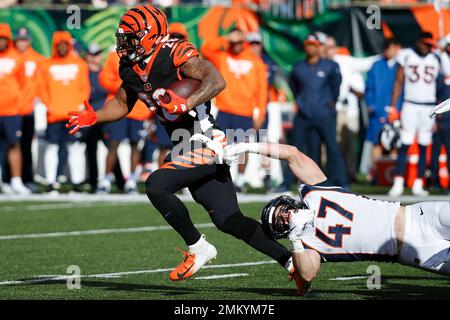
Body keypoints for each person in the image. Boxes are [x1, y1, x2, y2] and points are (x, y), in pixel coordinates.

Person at [66, 5, 299, 290]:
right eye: (123, 38)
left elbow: (216, 80)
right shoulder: (130, 67)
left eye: (131, 37)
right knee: (229, 219)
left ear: (150, 35)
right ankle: (291, 262)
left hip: (206, 141)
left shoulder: (174, 52)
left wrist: (184, 103)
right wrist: (95, 116)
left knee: (156, 185)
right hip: (183, 145)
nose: (124, 44)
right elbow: (121, 104)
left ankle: (198, 247)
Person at [203, 139, 450, 296]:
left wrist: (248, 147)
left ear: (287, 201)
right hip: (413, 251)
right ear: (282, 230)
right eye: (281, 221)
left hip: (422, 216)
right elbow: (308, 275)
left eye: (282, 210)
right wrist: (297, 238)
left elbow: (292, 153)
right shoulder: (308, 244)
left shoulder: (314, 191)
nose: (286, 216)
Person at [201, 27, 268, 192]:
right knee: (219, 146)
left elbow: (262, 90)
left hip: (245, 112)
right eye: (233, 42)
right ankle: (221, 178)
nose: (236, 45)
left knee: (242, 148)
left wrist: (260, 113)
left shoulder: (256, 62)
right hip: (224, 110)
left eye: (239, 41)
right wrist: (225, 38)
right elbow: (205, 49)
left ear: (244, 41)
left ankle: (240, 180)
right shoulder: (223, 57)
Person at [287, 33, 348, 189]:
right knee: (295, 148)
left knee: (332, 147)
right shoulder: (298, 67)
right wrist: (301, 102)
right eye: (308, 44)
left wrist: (329, 103)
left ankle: (341, 182)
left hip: (324, 113)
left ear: (319, 46)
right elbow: (294, 86)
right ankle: (288, 182)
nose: (310, 48)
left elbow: (336, 88)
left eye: (313, 44)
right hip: (304, 114)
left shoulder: (330, 66)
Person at [388, 32, 441, 197]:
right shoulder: (406, 55)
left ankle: (419, 182)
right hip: (410, 104)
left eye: (429, 44)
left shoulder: (437, 57)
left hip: (429, 106)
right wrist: (392, 106)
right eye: (424, 43)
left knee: (424, 144)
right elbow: (398, 80)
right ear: (418, 41)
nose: (427, 47)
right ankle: (398, 182)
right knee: (405, 142)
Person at [40, 31, 90, 193]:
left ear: (69, 45)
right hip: (54, 114)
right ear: (55, 46)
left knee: (74, 146)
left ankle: (77, 181)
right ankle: (50, 182)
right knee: (52, 147)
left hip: (73, 114)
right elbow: (42, 88)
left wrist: (81, 105)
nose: (62, 48)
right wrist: (48, 105)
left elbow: (85, 88)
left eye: (64, 44)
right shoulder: (46, 65)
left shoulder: (80, 64)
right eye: (59, 45)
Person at [98, 48, 152, 194]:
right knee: (113, 144)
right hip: (117, 106)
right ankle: (105, 180)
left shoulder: (146, 55)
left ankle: (131, 181)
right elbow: (104, 78)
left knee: (136, 145)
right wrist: (125, 88)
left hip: (139, 109)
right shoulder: (114, 55)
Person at [363, 37, 402, 182]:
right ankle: (375, 173)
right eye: (386, 48)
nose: (389, 51)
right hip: (377, 110)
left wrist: (398, 108)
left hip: (395, 111)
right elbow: (369, 87)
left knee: (394, 142)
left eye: (391, 48)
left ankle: (391, 174)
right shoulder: (376, 65)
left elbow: (402, 90)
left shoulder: (400, 66)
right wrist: (371, 104)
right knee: (376, 141)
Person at [14, 27, 46, 192]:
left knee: (26, 145)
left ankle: (27, 178)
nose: (21, 42)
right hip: (10, 108)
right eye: (19, 39)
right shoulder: (9, 57)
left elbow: (41, 84)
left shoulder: (38, 59)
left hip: (28, 108)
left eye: (24, 39)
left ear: (29, 40)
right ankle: (8, 179)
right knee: (9, 145)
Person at [0, 23, 30, 194]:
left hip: (12, 111)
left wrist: (18, 104)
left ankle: (16, 180)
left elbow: (23, 83)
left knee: (14, 144)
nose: (1, 42)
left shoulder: (17, 57)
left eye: (4, 39)